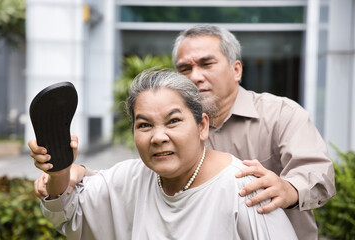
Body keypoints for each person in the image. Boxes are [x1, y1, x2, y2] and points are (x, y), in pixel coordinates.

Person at [33, 25, 335, 239]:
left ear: (236, 69)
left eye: (207, 63)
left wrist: (289, 190)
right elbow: (131, 184)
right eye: (184, 68)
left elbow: (318, 172)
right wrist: (72, 170)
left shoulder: (280, 114)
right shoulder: (166, 135)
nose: (196, 76)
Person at [29, 70, 297, 239]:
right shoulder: (129, 178)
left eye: (173, 121)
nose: (158, 137)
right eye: (144, 125)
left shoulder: (245, 189)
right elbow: (68, 214)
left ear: (202, 126)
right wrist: (60, 171)